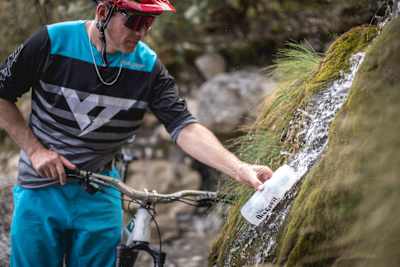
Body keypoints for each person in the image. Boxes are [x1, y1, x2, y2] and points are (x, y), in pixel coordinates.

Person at [0, 0, 273, 266]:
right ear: (103, 12)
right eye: (135, 20)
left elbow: (184, 126)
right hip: (41, 188)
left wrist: (239, 169)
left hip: (100, 188)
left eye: (149, 22)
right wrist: (35, 151)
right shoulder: (52, 41)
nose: (142, 32)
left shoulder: (148, 67)